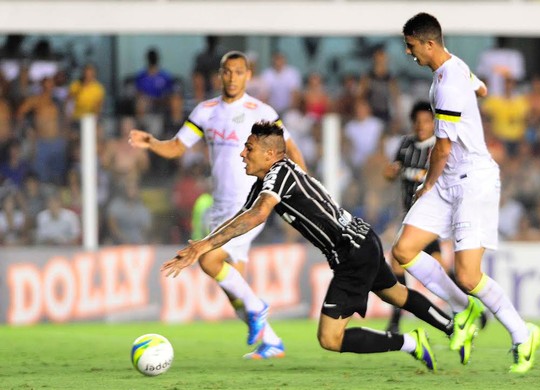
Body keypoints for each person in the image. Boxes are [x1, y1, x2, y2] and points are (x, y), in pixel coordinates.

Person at [160, 121, 467, 371]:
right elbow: (243, 216)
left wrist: (201, 247)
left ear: (270, 154)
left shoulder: (280, 173)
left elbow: (257, 215)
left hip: (352, 252)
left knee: (330, 338)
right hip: (362, 240)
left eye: (249, 148)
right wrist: (203, 245)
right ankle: (455, 329)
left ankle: (411, 343)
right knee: (397, 294)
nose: (242, 154)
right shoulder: (268, 181)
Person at [129, 51, 306, 360]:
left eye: (239, 72)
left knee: (208, 259)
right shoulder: (206, 111)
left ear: (248, 76)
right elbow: (177, 146)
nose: (232, 77)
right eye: (227, 72)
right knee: (234, 291)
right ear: (220, 75)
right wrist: (151, 143)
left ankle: (259, 308)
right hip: (220, 206)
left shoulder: (261, 111)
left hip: (252, 203)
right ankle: (272, 341)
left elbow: (289, 147)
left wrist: (300, 185)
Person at [393, 12, 540, 373]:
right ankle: (465, 308)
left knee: (469, 275)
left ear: (429, 43)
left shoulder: (447, 84)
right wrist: (475, 91)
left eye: (411, 46)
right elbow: (483, 88)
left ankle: (523, 333)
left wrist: (425, 187)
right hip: (449, 180)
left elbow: (441, 148)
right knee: (403, 251)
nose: (409, 53)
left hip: (472, 179)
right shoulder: (454, 66)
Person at [382, 101, 444, 333]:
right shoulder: (406, 144)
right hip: (410, 215)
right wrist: (389, 173)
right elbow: (394, 170)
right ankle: (397, 317)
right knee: (396, 262)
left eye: (426, 121)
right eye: (417, 121)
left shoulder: (439, 147)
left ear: (433, 123)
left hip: (431, 216)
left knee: (441, 269)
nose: (421, 126)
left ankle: (469, 307)